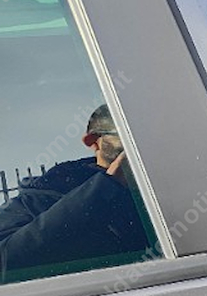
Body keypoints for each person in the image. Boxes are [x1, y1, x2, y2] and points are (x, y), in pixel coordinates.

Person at [0, 105, 151, 279]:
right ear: (93, 141)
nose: (141, 144)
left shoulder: (166, 183)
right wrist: (106, 187)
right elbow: (6, 262)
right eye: (126, 135)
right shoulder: (41, 197)